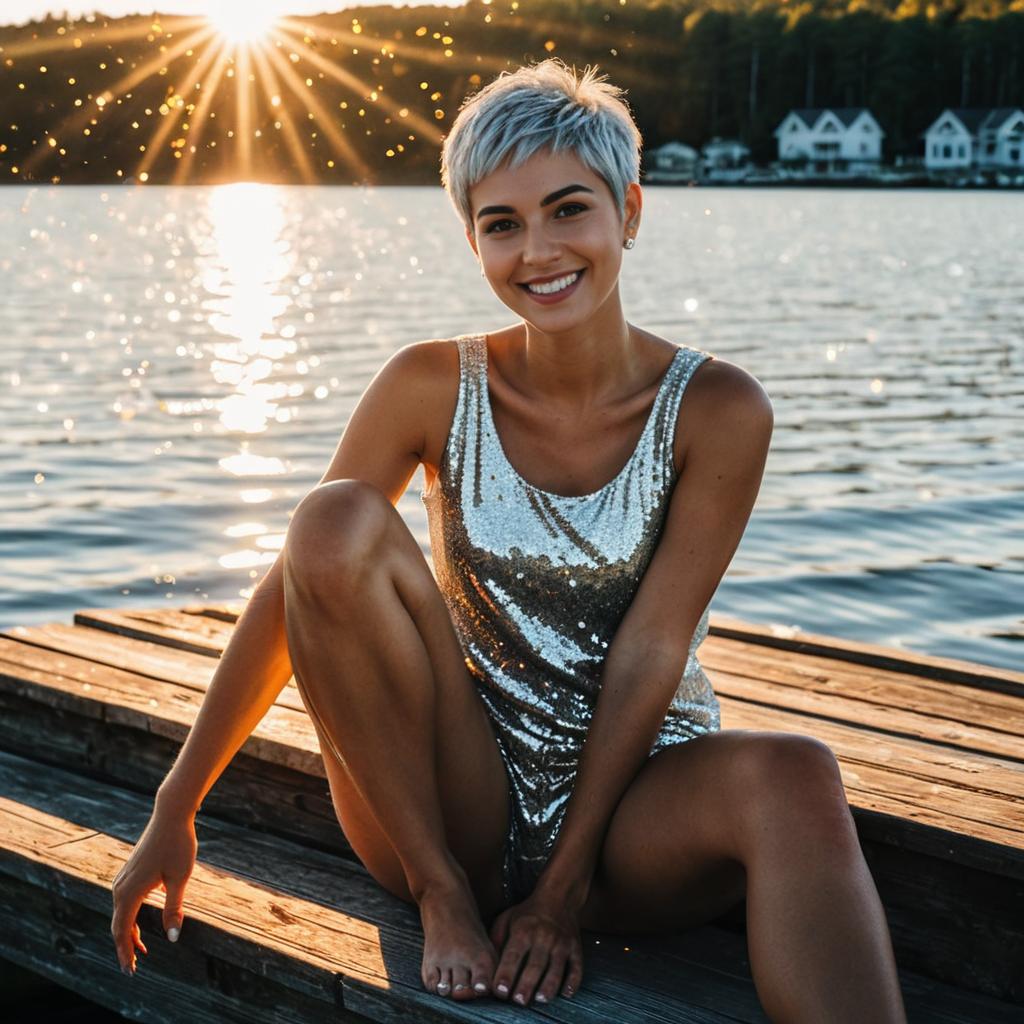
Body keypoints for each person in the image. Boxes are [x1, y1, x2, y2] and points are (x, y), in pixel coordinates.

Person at [110, 58, 907, 1021]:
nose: (539, 251)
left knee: (799, 774)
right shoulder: (429, 384)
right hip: (453, 804)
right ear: (473, 241)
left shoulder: (718, 408)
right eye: (502, 224)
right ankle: (446, 897)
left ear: (631, 212)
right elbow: (305, 584)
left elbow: (654, 648)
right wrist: (176, 805)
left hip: (639, 809)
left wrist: (564, 888)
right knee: (331, 515)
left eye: (570, 209)